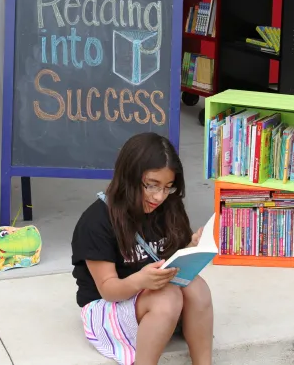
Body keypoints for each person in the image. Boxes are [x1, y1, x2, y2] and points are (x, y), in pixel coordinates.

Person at [71, 132, 213, 365]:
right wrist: (140, 281)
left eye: (168, 187)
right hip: (109, 305)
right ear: (129, 177)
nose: (159, 196)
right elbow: (108, 289)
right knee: (166, 297)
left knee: (197, 287)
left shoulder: (170, 206)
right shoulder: (97, 221)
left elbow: (170, 261)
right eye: (151, 185)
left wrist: (192, 247)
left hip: (153, 295)